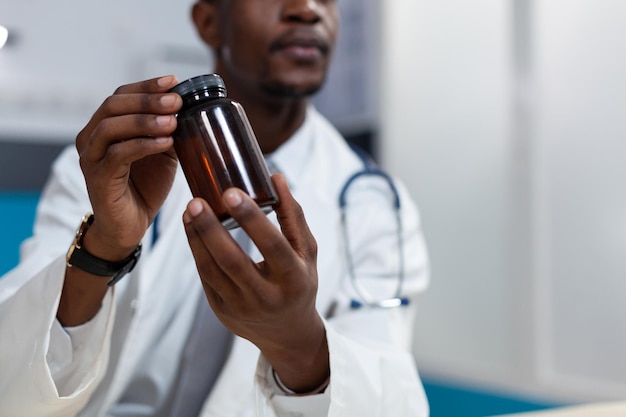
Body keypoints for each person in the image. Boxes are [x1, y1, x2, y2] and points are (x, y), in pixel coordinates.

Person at [0, 0, 430, 416]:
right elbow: (12, 378)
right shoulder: (114, 163)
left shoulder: (371, 205)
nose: (307, 8)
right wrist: (103, 249)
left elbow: (393, 401)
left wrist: (297, 344)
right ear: (209, 21)